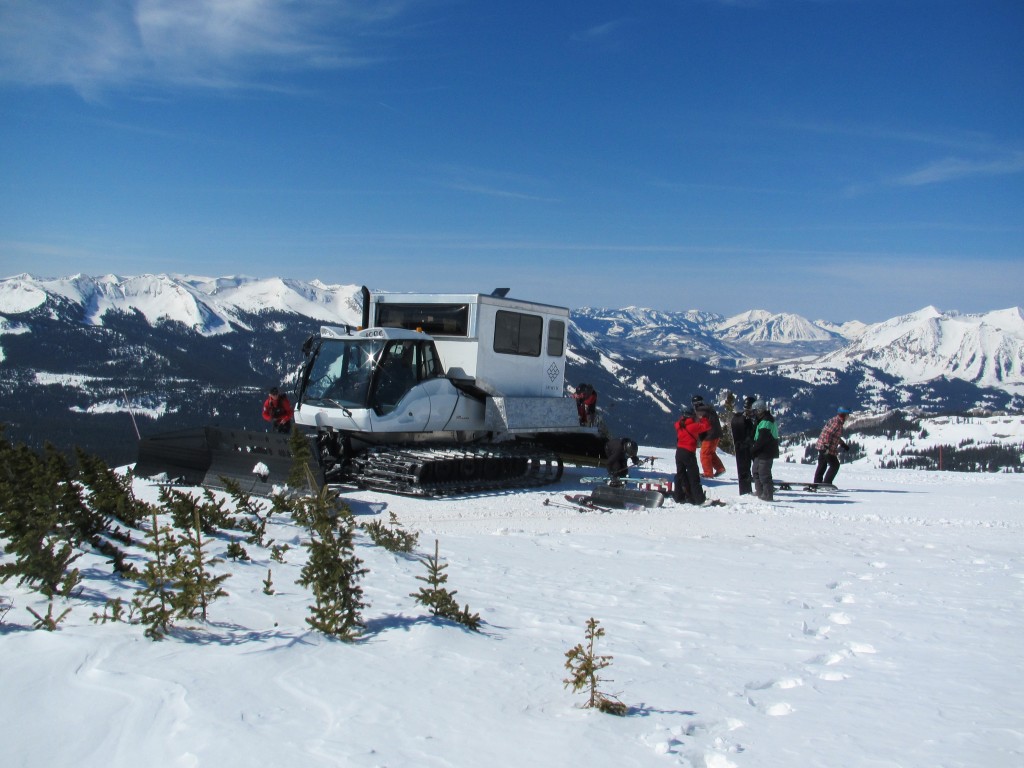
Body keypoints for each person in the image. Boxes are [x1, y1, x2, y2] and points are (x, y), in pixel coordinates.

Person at [673, 406, 710, 505]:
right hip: (688, 452)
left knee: (681, 475)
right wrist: (703, 418)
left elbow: (677, 423)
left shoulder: (679, 425)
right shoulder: (693, 426)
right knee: (693, 476)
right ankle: (698, 499)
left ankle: (679, 496)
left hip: (679, 452)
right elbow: (707, 426)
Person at [813, 407, 852, 485]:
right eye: (848, 415)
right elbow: (828, 434)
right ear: (844, 415)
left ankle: (817, 483)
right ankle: (827, 483)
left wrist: (842, 444)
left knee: (822, 465)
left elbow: (835, 436)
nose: (849, 416)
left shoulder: (837, 421)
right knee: (835, 465)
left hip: (822, 446)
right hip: (825, 447)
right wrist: (826, 446)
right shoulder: (837, 423)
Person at [750, 399, 779, 501]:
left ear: (759, 410)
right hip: (761, 451)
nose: (753, 413)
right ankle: (760, 491)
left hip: (766, 451)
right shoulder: (761, 420)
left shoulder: (766, 421)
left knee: (764, 473)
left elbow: (762, 439)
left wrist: (752, 450)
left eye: (754, 411)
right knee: (756, 471)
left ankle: (767, 495)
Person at [730, 395, 757, 495]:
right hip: (746, 447)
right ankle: (754, 488)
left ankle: (745, 489)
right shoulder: (746, 420)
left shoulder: (737, 418)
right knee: (756, 467)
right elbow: (750, 434)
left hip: (740, 447)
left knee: (744, 469)